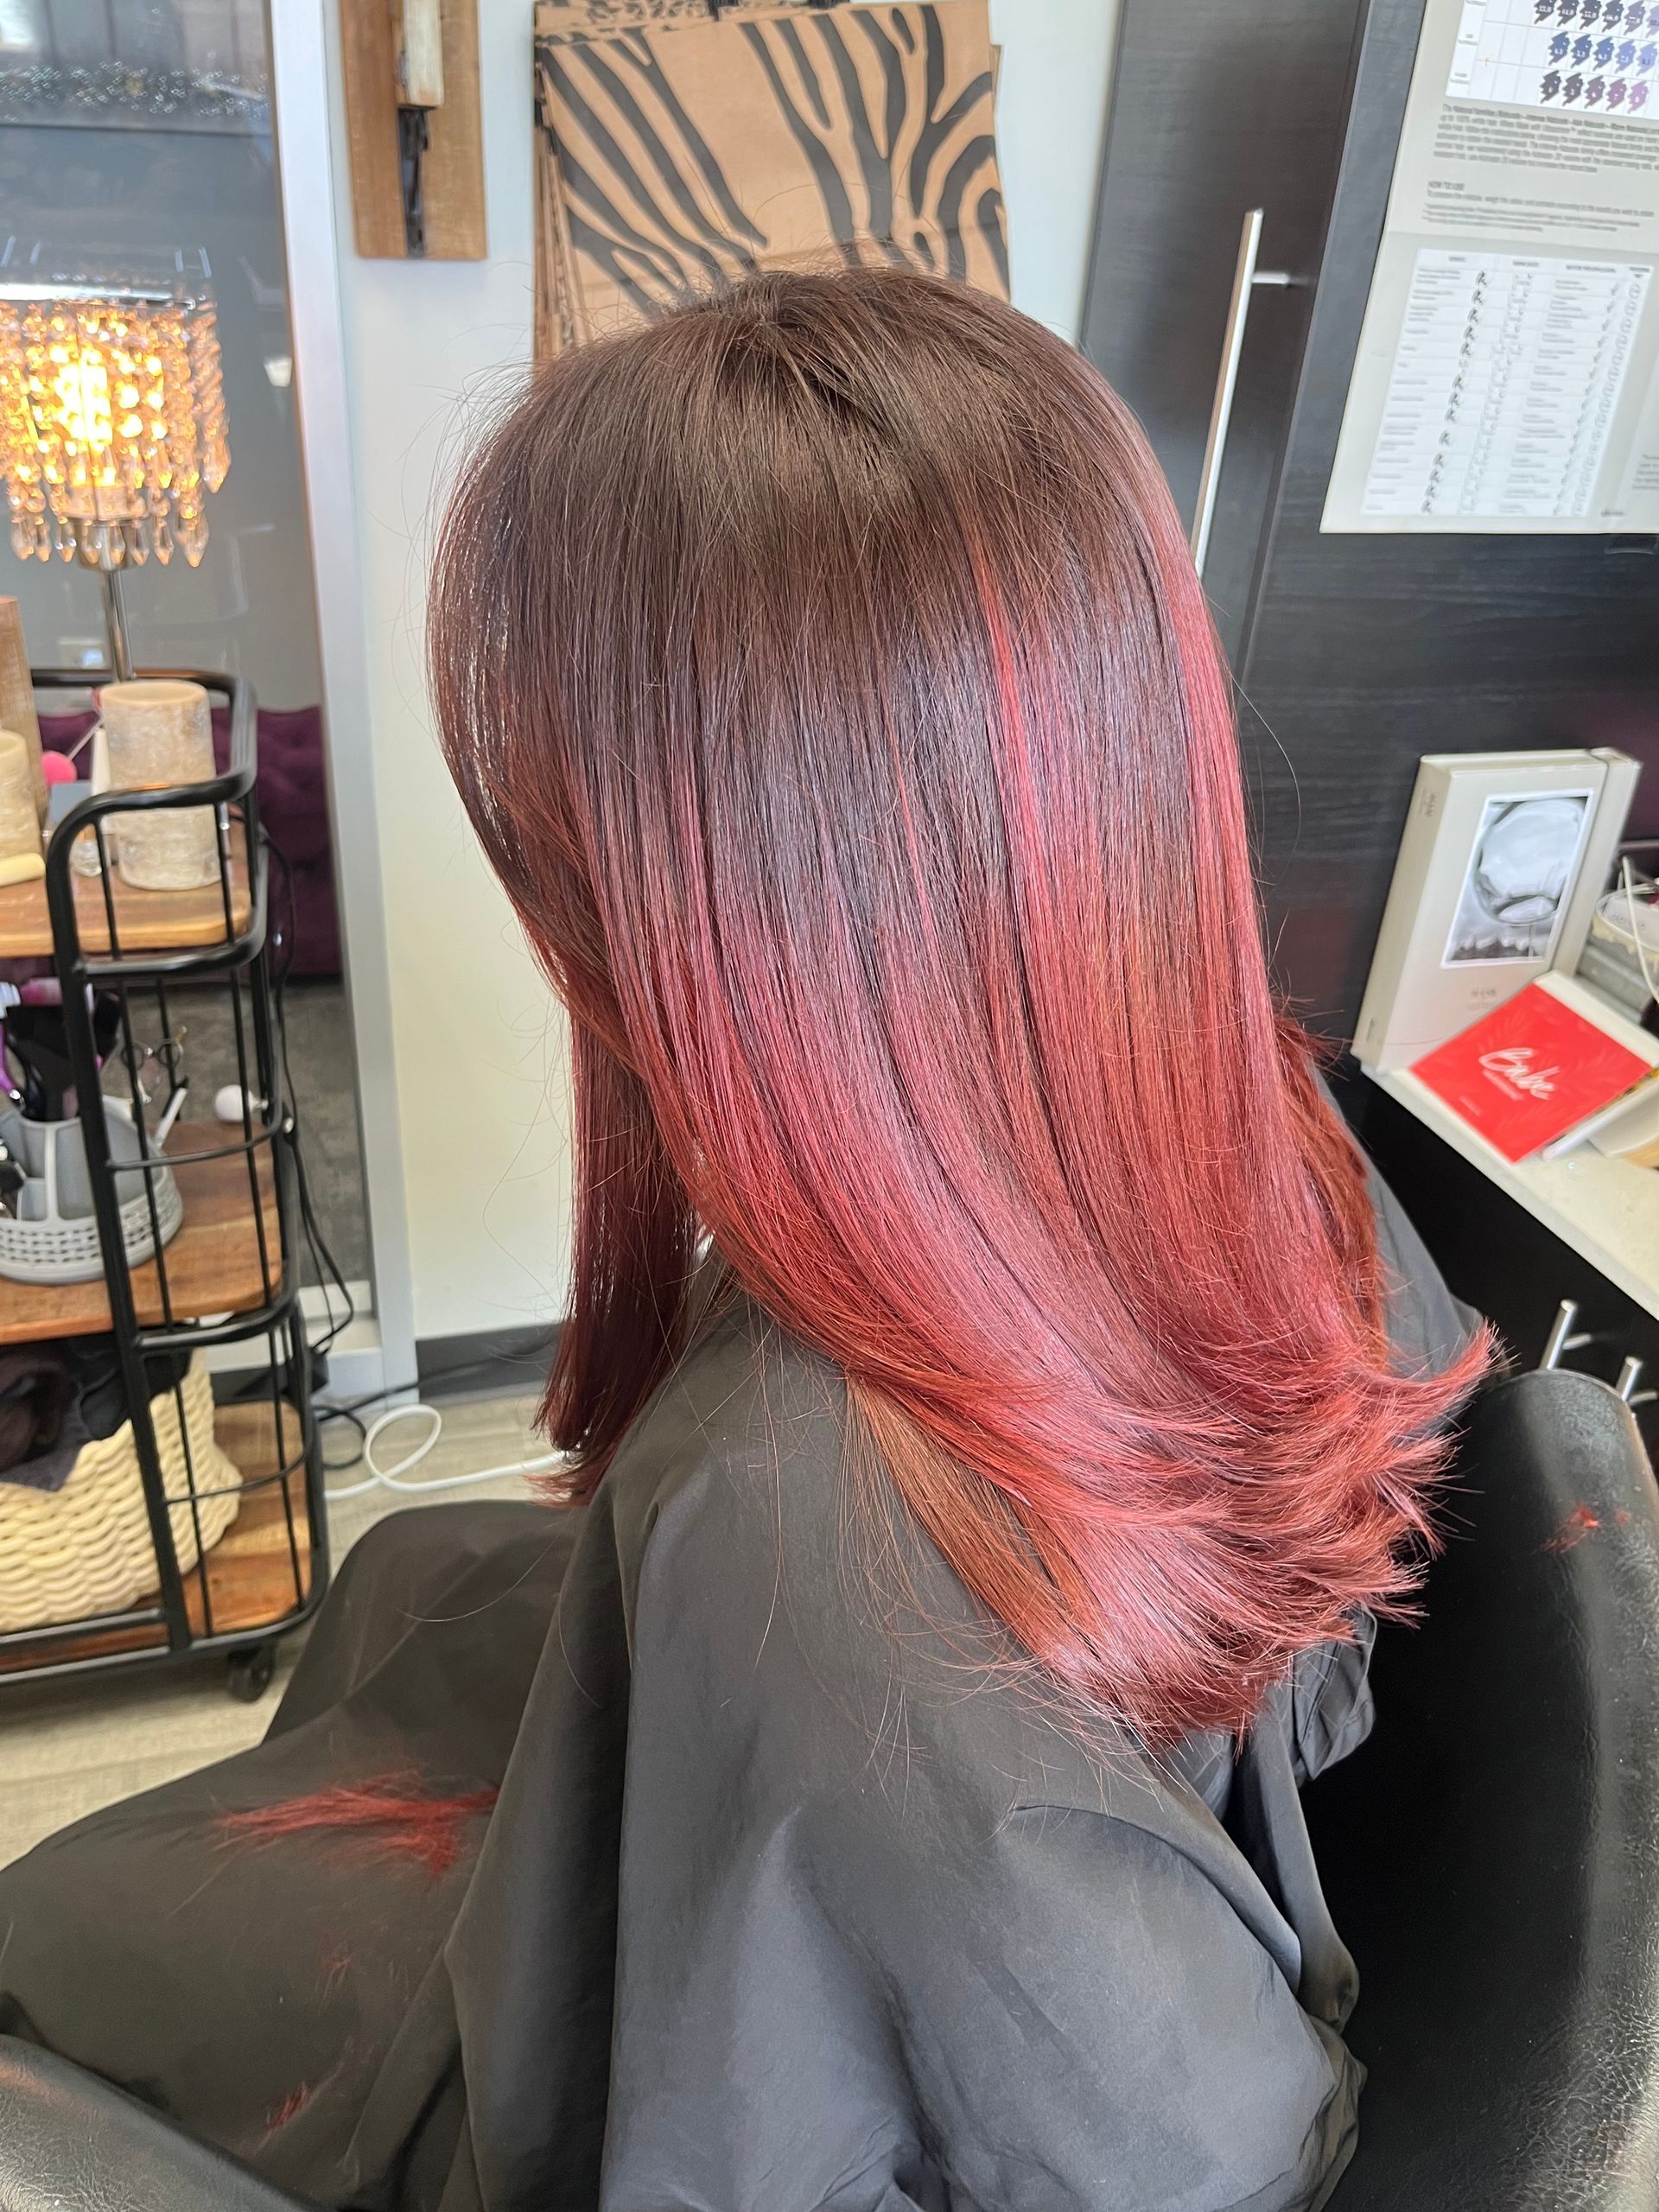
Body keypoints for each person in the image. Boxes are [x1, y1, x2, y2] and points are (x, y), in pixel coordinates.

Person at [0, 267, 1484, 2212]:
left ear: (724, 891)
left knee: (53, 1925)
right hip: (834, 1746)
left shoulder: (819, 1554)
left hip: (738, 1869)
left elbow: (1192, 2138)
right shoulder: (1249, 1116)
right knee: (404, 1590)